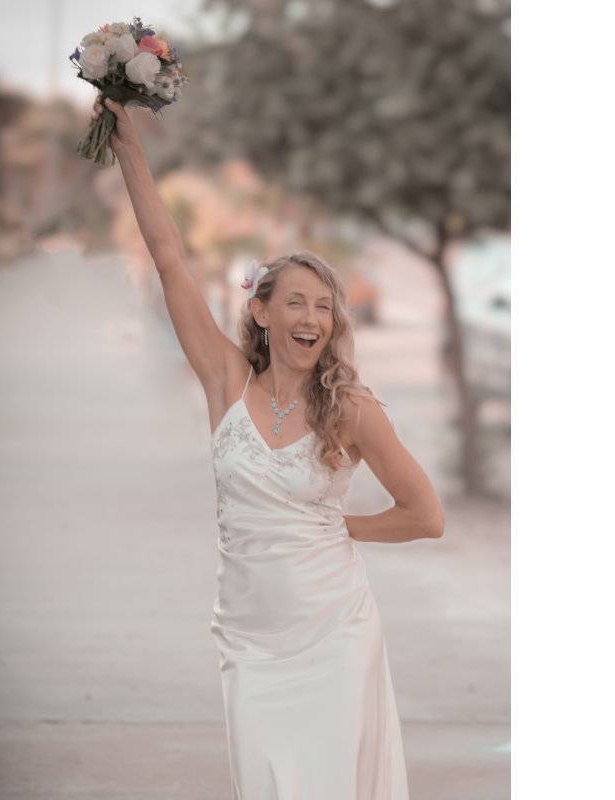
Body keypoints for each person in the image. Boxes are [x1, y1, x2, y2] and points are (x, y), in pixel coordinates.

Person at [91, 96, 445, 799]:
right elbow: (169, 260)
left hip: (335, 630)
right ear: (260, 310)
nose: (313, 316)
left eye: (324, 306)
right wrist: (129, 148)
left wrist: (341, 527)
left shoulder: (351, 407)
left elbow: (425, 514)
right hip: (251, 639)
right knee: (267, 783)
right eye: (297, 301)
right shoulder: (224, 381)